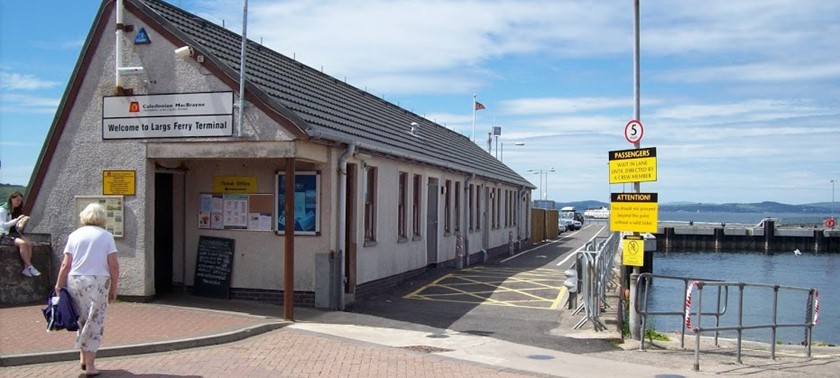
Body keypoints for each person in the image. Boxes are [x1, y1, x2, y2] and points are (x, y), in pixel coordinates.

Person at [55, 203, 120, 377]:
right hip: (99, 281)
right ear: (101, 218)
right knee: (95, 321)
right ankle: (90, 366)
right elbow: (113, 266)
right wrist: (114, 288)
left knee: (81, 319)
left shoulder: (74, 235)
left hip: (76, 280)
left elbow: (65, 264)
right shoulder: (106, 236)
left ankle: (83, 359)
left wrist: (58, 285)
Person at [0, 191, 40, 277]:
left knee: (29, 243)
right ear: (11, 199)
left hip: (14, 232)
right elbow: (2, 225)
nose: (19, 202)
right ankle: (30, 266)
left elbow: (16, 227)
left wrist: (21, 222)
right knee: (22, 244)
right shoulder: (3, 210)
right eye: (17, 200)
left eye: (20, 200)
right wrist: (17, 220)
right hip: (4, 234)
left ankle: (26, 269)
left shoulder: (17, 210)